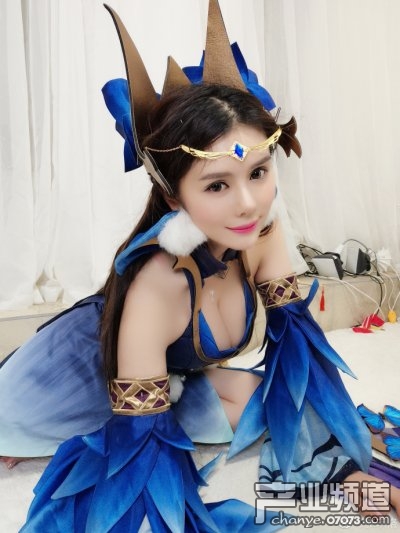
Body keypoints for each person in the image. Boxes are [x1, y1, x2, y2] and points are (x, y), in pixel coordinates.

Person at [1, 1, 399, 531]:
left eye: (258, 172)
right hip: (52, 388)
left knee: (278, 406)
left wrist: (351, 473)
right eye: (217, 186)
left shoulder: (259, 231)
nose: (248, 204)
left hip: (169, 378)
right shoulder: (158, 284)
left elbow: (300, 371)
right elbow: (147, 466)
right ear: (173, 197)